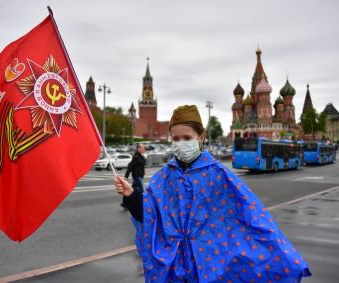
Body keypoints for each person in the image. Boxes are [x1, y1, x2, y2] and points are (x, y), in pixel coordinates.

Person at [115, 105, 311, 283]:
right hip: (173, 270)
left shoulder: (220, 175)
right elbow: (150, 217)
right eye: (176, 139)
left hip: (210, 268)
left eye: (187, 138)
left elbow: (252, 219)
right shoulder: (162, 178)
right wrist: (131, 196)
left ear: (201, 137)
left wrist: (284, 258)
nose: (181, 143)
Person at [120, 143, 146, 209]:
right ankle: (143, 205)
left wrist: (142, 174)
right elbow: (130, 167)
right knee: (141, 190)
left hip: (139, 176)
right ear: (138, 149)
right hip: (136, 176)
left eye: (144, 148)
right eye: (142, 148)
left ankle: (125, 204)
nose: (144, 149)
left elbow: (141, 166)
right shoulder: (136, 157)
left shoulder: (141, 156)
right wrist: (126, 176)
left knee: (131, 190)